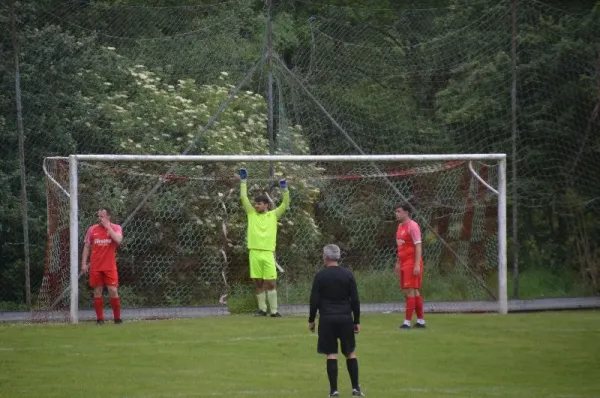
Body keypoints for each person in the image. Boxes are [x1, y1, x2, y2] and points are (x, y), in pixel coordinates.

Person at [308, 244, 364, 397]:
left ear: (325, 257)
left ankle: (334, 391)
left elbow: (314, 300)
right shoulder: (348, 274)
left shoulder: (320, 276)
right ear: (338, 257)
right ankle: (356, 388)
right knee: (350, 352)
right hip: (345, 318)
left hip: (327, 319)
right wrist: (356, 320)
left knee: (331, 354)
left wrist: (311, 320)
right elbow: (355, 300)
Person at [238, 168, 290, 317]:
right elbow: (243, 197)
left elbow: (285, 204)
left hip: (268, 253)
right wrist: (243, 181)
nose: (256, 206)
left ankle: (274, 311)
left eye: (259, 204)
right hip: (254, 252)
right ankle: (262, 309)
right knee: (258, 283)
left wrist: (285, 189)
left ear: (266, 205)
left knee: (271, 283)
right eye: (255, 204)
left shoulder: (273, 215)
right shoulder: (251, 213)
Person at [81, 207, 124, 325]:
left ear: (108, 217)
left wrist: (108, 227)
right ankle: (100, 319)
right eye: (98, 216)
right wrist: (84, 264)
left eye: (102, 216)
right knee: (97, 290)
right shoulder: (92, 229)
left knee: (113, 290)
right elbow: (87, 246)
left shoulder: (116, 228)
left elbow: (119, 240)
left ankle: (117, 319)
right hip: (96, 266)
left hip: (110, 266)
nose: (99, 218)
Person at [394, 203, 426, 329]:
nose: (396, 213)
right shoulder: (399, 226)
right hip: (403, 262)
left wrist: (417, 264)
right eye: (395, 211)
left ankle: (407, 322)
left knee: (409, 291)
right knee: (414, 291)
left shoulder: (412, 226)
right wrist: (397, 262)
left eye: (398, 211)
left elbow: (418, 245)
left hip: (411, 262)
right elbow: (400, 246)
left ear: (406, 213)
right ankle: (421, 321)